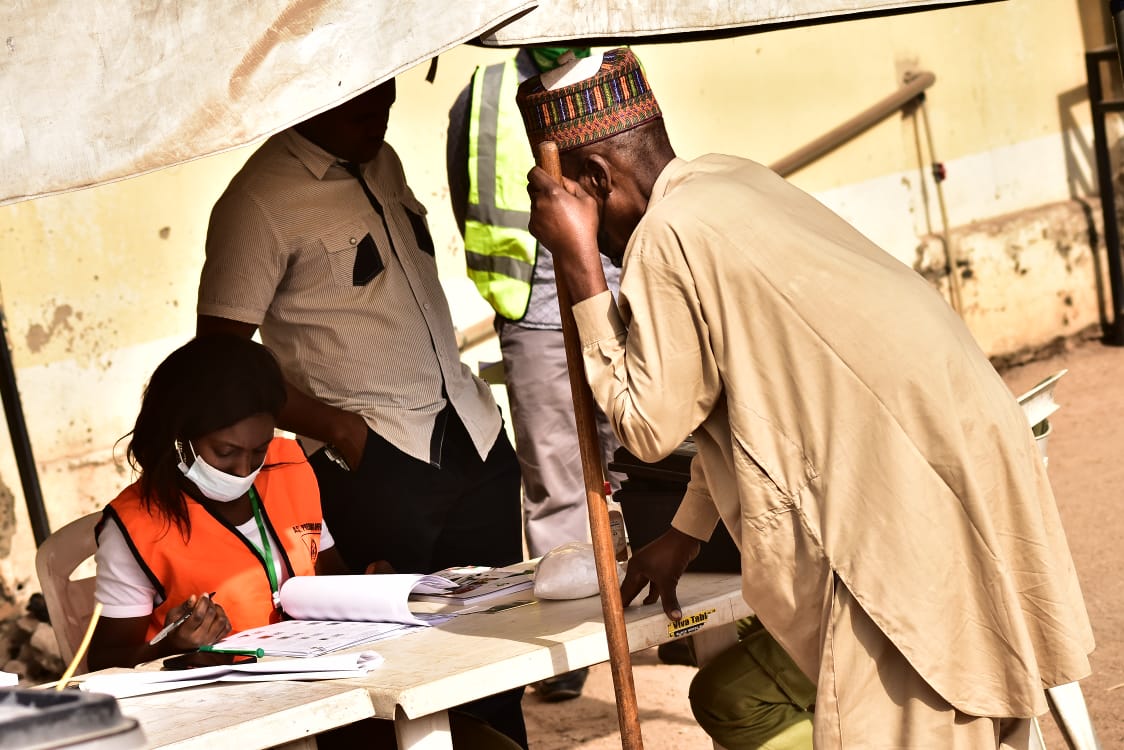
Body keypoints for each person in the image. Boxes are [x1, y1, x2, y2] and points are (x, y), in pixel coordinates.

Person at [517, 48, 1094, 748]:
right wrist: (686, 532)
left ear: (597, 178)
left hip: (892, 516)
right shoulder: (729, 180)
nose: (603, 247)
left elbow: (647, 423)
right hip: (961, 465)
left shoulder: (666, 238)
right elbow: (745, 389)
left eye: (580, 214)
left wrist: (578, 267)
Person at [194, 80, 527, 746]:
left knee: (496, 658)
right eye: (359, 111)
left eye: (387, 106)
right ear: (309, 96)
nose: (377, 122)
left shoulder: (382, 158)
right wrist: (342, 431)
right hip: (374, 464)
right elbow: (220, 364)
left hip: (472, 435)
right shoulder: (256, 202)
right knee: (383, 679)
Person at [88, 334, 519, 750]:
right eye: (225, 452)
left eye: (257, 450)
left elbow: (325, 575)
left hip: (334, 697)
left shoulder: (288, 464)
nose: (244, 468)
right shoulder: (134, 527)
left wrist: (367, 589)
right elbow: (106, 661)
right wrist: (175, 645)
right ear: (178, 437)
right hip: (232, 723)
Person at [446, 45, 623, 702]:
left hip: (621, 298)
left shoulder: (609, 70)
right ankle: (572, 644)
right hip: (537, 311)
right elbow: (471, 196)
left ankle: (647, 597)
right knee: (555, 477)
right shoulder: (486, 91)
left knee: (643, 449)